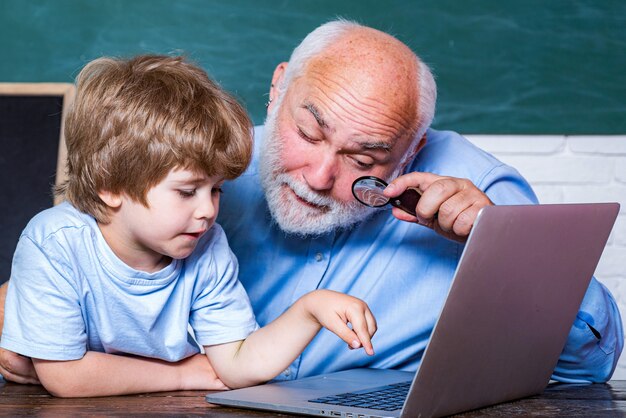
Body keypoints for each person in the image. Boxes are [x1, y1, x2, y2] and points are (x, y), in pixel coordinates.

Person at [1, 19, 622, 386]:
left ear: (412, 151)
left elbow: (587, 367)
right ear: (278, 89)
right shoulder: (204, 165)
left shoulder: (481, 197)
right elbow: (68, 271)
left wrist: (503, 247)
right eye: (310, 130)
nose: (320, 175)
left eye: (365, 158)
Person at [0, 54, 377, 397]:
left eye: (215, 191)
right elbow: (65, 376)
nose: (207, 211)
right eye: (186, 192)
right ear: (110, 185)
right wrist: (181, 374)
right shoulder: (54, 242)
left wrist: (308, 311)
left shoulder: (208, 246)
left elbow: (236, 364)